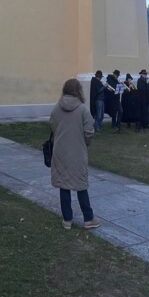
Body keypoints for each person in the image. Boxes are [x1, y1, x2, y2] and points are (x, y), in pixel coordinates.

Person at [49, 78, 100, 230]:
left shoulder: (57, 108)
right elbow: (89, 131)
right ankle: (88, 218)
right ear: (78, 90)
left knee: (63, 185)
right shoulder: (83, 109)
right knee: (80, 185)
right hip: (77, 151)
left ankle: (67, 220)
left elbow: (52, 125)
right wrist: (85, 142)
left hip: (60, 151)